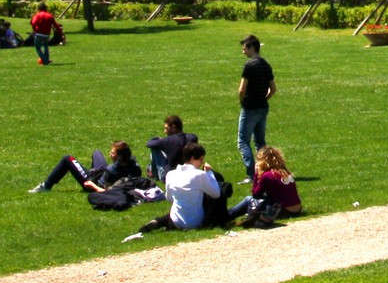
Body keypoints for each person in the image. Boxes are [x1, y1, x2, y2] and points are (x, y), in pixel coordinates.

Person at [125, 142, 229, 239]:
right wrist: (210, 173)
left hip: (176, 220)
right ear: (193, 158)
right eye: (201, 160)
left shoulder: (171, 174)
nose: (201, 163)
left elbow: (169, 198)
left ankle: (158, 222)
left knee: (177, 209)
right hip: (195, 222)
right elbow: (216, 193)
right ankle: (160, 221)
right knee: (210, 197)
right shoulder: (200, 175)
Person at [228, 145, 304, 228]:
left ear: (263, 161)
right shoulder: (284, 171)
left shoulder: (267, 175)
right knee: (261, 200)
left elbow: (255, 194)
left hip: (283, 210)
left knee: (248, 199)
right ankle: (229, 215)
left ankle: (226, 216)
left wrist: (256, 174)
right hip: (297, 209)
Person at [29, 140, 142, 193]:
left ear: (120, 157)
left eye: (112, 153)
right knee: (97, 153)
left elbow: (105, 190)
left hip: (93, 183)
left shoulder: (111, 170)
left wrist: (92, 185)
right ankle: (92, 171)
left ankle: (46, 186)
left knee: (67, 159)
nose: (110, 154)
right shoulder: (134, 165)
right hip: (102, 174)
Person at [236, 34, 275, 181]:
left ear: (252, 47)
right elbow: (273, 88)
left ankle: (251, 174)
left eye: (244, 48)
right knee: (260, 142)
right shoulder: (266, 65)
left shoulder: (249, 65)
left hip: (250, 108)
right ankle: (264, 171)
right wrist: (265, 99)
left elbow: (241, 89)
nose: (243, 51)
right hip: (263, 107)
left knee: (243, 141)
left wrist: (242, 101)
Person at [146, 115, 199, 181]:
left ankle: (154, 174)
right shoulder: (193, 138)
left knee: (155, 148)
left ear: (173, 127)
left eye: (166, 128)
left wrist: (158, 139)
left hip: (169, 177)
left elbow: (149, 144)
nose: (164, 131)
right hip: (190, 173)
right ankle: (151, 170)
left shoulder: (168, 141)